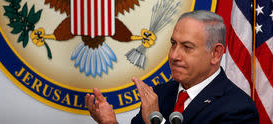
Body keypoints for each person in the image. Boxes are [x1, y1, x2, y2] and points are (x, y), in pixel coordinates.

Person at [85, 10, 259, 124]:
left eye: (187, 47)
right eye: (173, 43)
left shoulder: (238, 109)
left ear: (216, 54)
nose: (174, 55)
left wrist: (156, 120)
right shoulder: (159, 94)